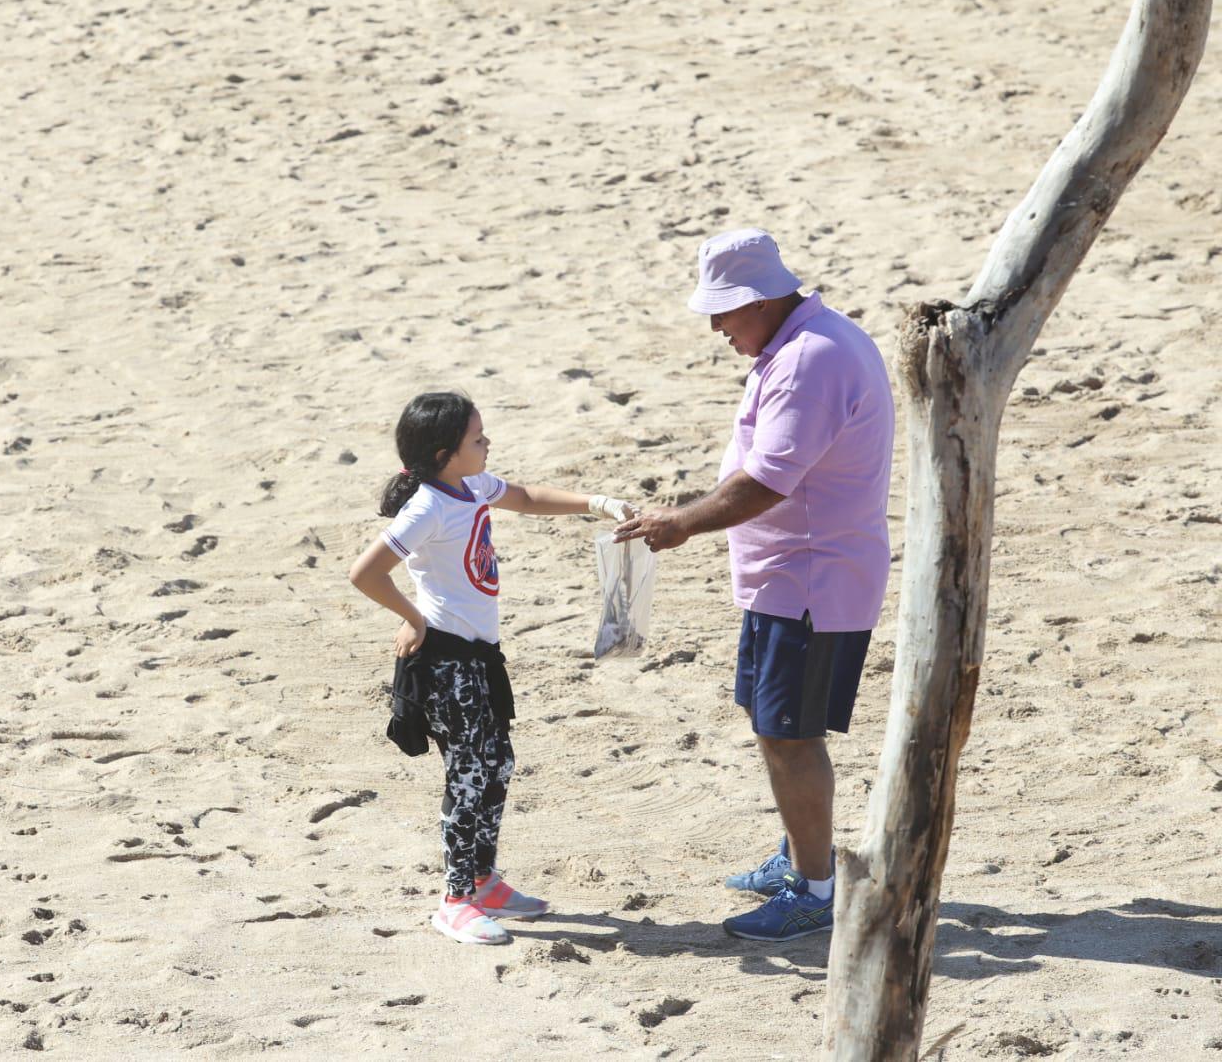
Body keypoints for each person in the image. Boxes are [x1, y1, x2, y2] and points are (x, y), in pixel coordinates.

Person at [614, 228, 894, 942]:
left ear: (766, 299)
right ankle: (804, 857)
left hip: (811, 582)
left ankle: (815, 891)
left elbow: (768, 480)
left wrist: (680, 523)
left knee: (789, 736)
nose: (716, 327)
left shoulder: (812, 360)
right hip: (791, 579)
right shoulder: (806, 341)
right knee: (776, 727)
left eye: (726, 311)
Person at [349, 392, 636, 945]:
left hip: (481, 656)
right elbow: (365, 573)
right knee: (469, 774)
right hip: (445, 660)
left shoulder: (472, 486)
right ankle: (454, 901)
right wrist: (413, 617)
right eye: (477, 440)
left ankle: (482, 880)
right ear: (444, 454)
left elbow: (527, 498)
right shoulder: (427, 507)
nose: (487, 445)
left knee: (498, 764)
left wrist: (598, 502)